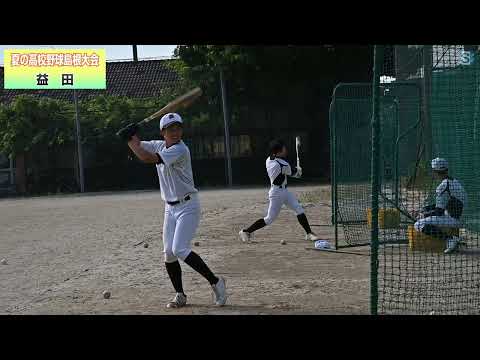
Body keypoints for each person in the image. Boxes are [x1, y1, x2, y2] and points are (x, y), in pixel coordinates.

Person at [118, 113, 227, 308]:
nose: (175, 132)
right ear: (163, 133)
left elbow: (147, 158)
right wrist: (132, 137)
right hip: (170, 208)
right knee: (168, 253)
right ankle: (180, 295)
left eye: (178, 128)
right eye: (170, 129)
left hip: (188, 206)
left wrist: (129, 141)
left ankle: (216, 282)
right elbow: (141, 146)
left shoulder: (180, 149)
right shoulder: (160, 145)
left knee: (180, 249)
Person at [239, 139, 327, 245]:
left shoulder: (269, 159)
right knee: (269, 219)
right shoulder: (282, 164)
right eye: (283, 148)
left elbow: (288, 170)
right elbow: (296, 174)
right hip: (277, 194)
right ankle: (246, 231)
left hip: (284, 191)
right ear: (277, 152)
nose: (285, 149)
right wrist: (299, 170)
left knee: (298, 209)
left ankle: (309, 233)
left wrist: (295, 170)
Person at [414, 157, 467, 254]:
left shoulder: (443, 186)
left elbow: (439, 212)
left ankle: (450, 239)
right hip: (458, 216)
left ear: (435, 172)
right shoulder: (454, 182)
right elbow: (442, 205)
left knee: (418, 224)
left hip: (453, 219)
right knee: (425, 218)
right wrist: (425, 209)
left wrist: (424, 214)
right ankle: (453, 239)